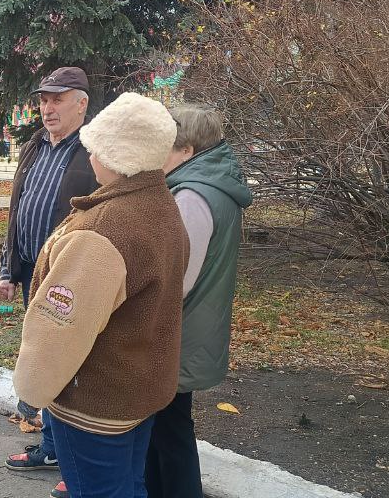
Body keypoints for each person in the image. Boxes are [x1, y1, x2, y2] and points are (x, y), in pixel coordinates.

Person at [13, 92, 188, 498]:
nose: (88, 153)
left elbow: (62, 327)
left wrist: (32, 390)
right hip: (139, 388)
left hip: (96, 401)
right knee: (129, 486)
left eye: (94, 146)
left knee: (100, 492)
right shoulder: (161, 206)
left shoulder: (105, 230)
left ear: (114, 155)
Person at [0, 67, 100, 484]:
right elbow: (17, 208)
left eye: (58, 99)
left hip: (70, 280)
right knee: (47, 363)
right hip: (34, 274)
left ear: (82, 103)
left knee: (73, 369)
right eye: (43, 99)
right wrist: (10, 267)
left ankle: (78, 462)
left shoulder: (95, 150)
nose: (48, 107)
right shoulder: (36, 145)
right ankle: (55, 450)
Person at [145, 104, 253, 498]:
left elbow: (177, 279)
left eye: (164, 146)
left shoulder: (191, 196)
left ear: (187, 150)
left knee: (168, 432)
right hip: (191, 328)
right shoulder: (211, 188)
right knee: (168, 427)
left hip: (177, 332)